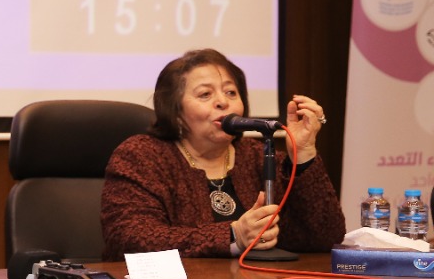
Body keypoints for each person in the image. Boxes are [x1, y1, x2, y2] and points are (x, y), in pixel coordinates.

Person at [101, 48, 345, 259]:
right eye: (205, 94)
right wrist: (232, 235)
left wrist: (303, 153)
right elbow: (130, 238)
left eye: (230, 92)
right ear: (176, 112)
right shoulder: (141, 156)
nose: (222, 102)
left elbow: (325, 237)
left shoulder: (258, 156)